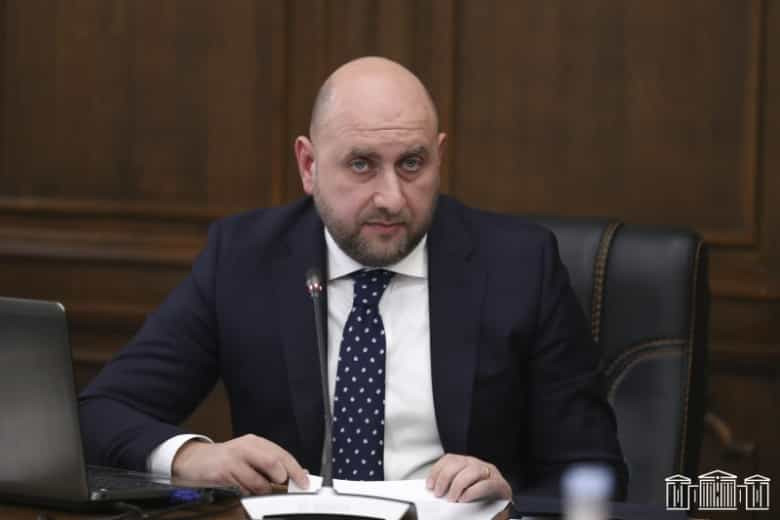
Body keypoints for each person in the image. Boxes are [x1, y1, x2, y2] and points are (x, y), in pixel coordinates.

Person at [79, 56, 627, 503]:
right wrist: (192, 457)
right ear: (309, 165)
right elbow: (99, 413)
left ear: (438, 156)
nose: (390, 197)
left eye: (412, 164)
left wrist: (507, 501)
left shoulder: (519, 264)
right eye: (361, 164)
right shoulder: (245, 259)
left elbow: (593, 471)